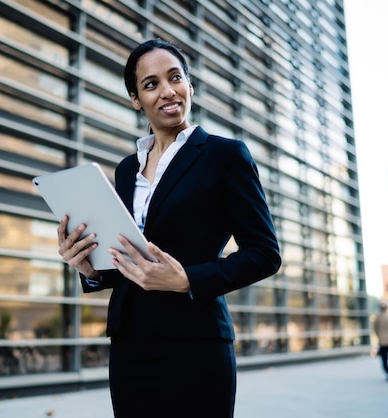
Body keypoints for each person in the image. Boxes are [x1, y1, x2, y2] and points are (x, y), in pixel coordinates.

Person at [56, 39, 281, 418]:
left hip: (196, 346)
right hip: (130, 347)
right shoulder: (127, 169)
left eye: (175, 78)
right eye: (151, 84)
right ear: (135, 99)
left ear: (190, 86)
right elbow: (133, 261)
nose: (167, 91)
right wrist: (91, 270)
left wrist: (187, 280)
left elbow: (265, 254)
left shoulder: (226, 156)